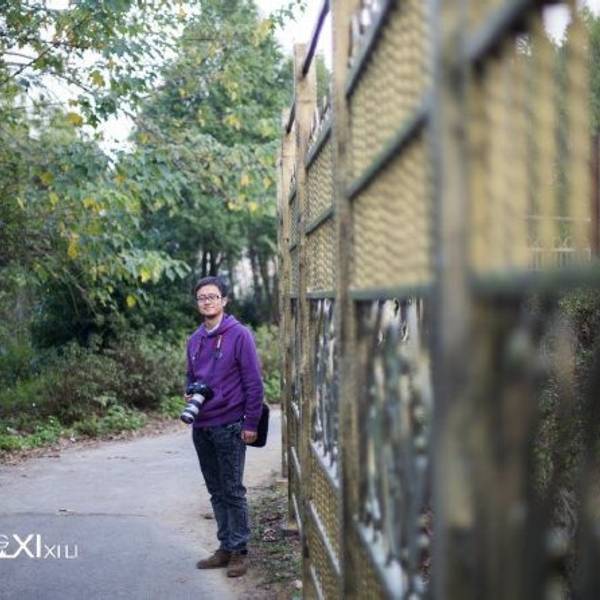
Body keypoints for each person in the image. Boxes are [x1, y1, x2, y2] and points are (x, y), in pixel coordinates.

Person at [185, 275, 263, 578]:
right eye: (202, 297)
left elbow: (253, 383)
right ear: (197, 303)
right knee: (215, 490)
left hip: (230, 424)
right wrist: (190, 393)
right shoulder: (194, 340)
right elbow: (190, 378)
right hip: (202, 425)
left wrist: (250, 423)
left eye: (212, 296)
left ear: (224, 300)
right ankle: (225, 547)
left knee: (232, 489)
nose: (207, 302)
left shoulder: (239, 335)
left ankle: (239, 551)